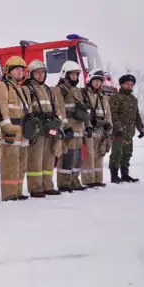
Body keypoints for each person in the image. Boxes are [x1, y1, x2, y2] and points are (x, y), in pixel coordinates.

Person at [0, 56, 32, 202]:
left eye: (22, 70)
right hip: (10, 132)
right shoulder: (2, 86)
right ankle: (9, 194)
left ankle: (18, 191)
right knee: (10, 164)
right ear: (8, 71)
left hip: (22, 131)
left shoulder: (21, 89)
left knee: (21, 163)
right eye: (16, 69)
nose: (20, 72)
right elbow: (1, 110)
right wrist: (7, 129)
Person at [22, 59, 64, 197]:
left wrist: (58, 125)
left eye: (43, 73)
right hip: (37, 129)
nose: (41, 75)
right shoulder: (27, 89)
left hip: (50, 128)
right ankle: (35, 188)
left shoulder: (49, 90)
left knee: (49, 158)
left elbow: (57, 109)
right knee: (35, 159)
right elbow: (26, 110)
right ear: (30, 74)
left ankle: (48, 185)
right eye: (37, 73)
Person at [54, 61, 91, 192]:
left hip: (79, 129)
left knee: (77, 157)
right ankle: (64, 183)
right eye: (73, 74)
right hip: (68, 129)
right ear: (65, 74)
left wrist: (88, 126)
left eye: (76, 74)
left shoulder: (77, 91)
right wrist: (65, 126)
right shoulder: (59, 90)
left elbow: (83, 111)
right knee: (67, 156)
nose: (75, 77)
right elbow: (60, 110)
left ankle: (75, 181)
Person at [109, 73, 144, 183]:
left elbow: (137, 115)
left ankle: (125, 174)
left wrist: (141, 128)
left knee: (127, 154)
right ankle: (114, 176)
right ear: (122, 84)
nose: (129, 86)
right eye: (127, 84)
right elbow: (113, 114)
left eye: (131, 84)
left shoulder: (134, 99)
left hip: (129, 132)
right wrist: (118, 128)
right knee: (116, 153)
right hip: (118, 132)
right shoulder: (115, 97)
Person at [80, 69, 113, 188]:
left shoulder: (103, 96)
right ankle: (88, 180)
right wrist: (86, 127)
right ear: (90, 80)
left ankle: (98, 179)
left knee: (99, 154)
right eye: (95, 80)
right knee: (89, 155)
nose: (97, 83)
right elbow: (82, 112)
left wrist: (109, 127)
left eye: (100, 81)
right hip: (89, 129)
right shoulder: (83, 94)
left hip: (101, 130)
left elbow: (108, 113)